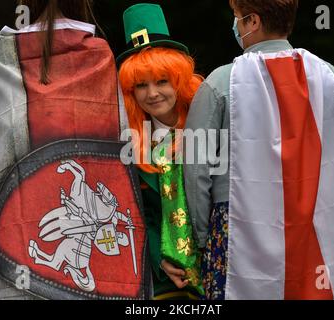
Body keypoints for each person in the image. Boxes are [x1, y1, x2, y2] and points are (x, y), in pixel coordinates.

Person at [184, 0, 334, 300]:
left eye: (236, 17)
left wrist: (202, 237)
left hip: (235, 222)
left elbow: (196, 170)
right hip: (310, 212)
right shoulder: (325, 73)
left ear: (253, 21)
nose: (234, 24)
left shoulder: (220, 82)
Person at [0, 0, 151, 300]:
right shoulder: (98, 55)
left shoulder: (4, 54)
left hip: (26, 209)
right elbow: (114, 146)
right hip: (84, 211)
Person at [117, 3, 204, 300]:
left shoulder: (207, 120)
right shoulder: (130, 141)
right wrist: (160, 260)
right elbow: (140, 214)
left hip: (219, 265)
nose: (152, 93)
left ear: (178, 79)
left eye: (162, 81)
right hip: (166, 279)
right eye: (141, 85)